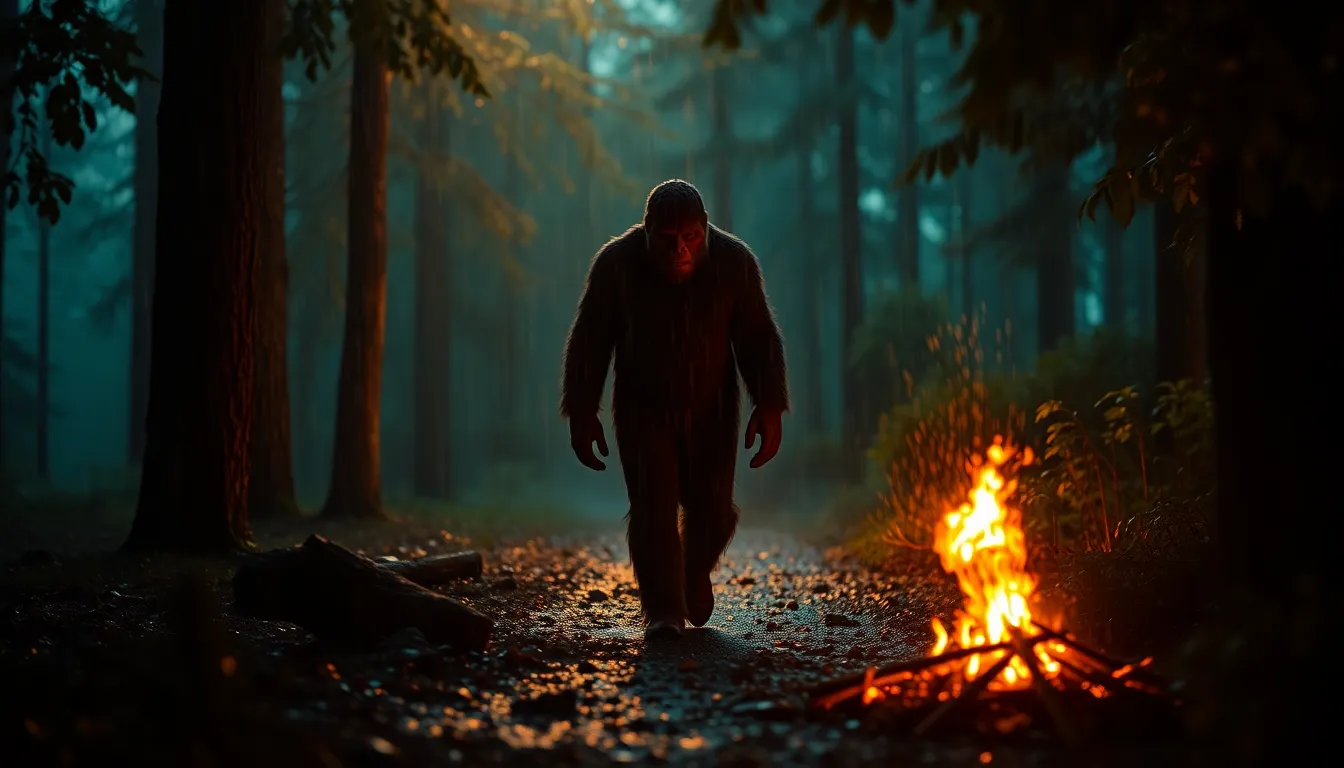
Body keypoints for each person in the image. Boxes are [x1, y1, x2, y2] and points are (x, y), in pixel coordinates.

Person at [560, 179, 790, 639]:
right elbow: (590, 340)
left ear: (705, 229)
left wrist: (769, 404)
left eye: (689, 239)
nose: (679, 252)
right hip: (643, 410)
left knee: (715, 512)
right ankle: (663, 611)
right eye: (667, 241)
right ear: (647, 232)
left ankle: (687, 573)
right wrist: (583, 411)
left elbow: (758, 338)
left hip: (713, 409)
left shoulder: (735, 262)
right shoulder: (616, 265)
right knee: (653, 509)